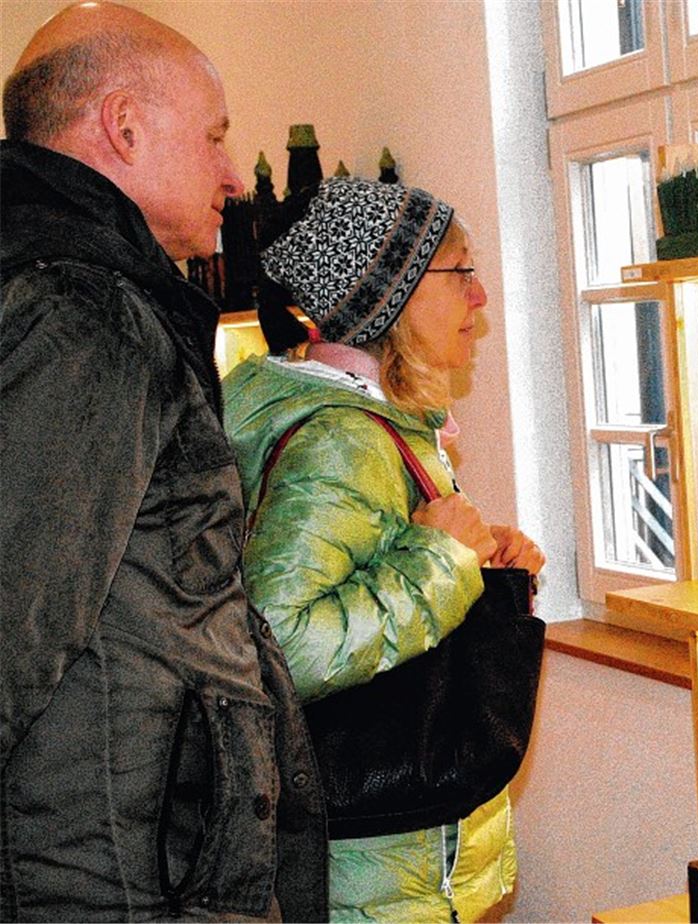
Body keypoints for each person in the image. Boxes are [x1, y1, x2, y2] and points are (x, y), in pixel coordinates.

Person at [0, 4, 327, 921]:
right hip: (113, 879)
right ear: (124, 124)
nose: (232, 176)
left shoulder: (76, 293)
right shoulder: (81, 314)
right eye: (216, 136)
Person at [223, 175, 545, 922]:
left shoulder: (360, 423)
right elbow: (281, 646)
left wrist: (474, 559)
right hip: (374, 874)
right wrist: (440, 565)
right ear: (390, 298)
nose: (480, 297)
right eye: (461, 271)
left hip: (379, 864)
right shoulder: (342, 439)